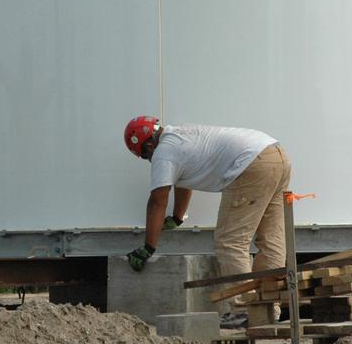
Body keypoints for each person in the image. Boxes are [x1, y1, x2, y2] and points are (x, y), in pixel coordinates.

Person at [122, 117, 291, 278]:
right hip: (276, 154)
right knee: (271, 239)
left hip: (250, 164)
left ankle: (243, 307)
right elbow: (182, 181)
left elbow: (157, 201)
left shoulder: (163, 152)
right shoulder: (180, 134)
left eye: (145, 156)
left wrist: (148, 248)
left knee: (230, 242)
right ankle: (269, 304)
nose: (150, 160)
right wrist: (177, 217)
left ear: (150, 146)